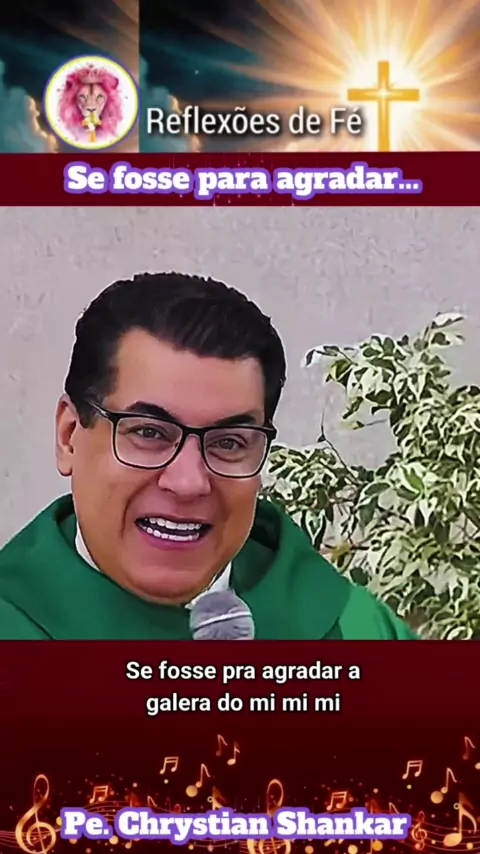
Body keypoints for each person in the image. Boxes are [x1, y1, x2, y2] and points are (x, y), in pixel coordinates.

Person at [0, 272, 416, 640]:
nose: (188, 483)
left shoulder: (354, 630)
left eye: (229, 442)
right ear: (69, 436)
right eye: (149, 433)